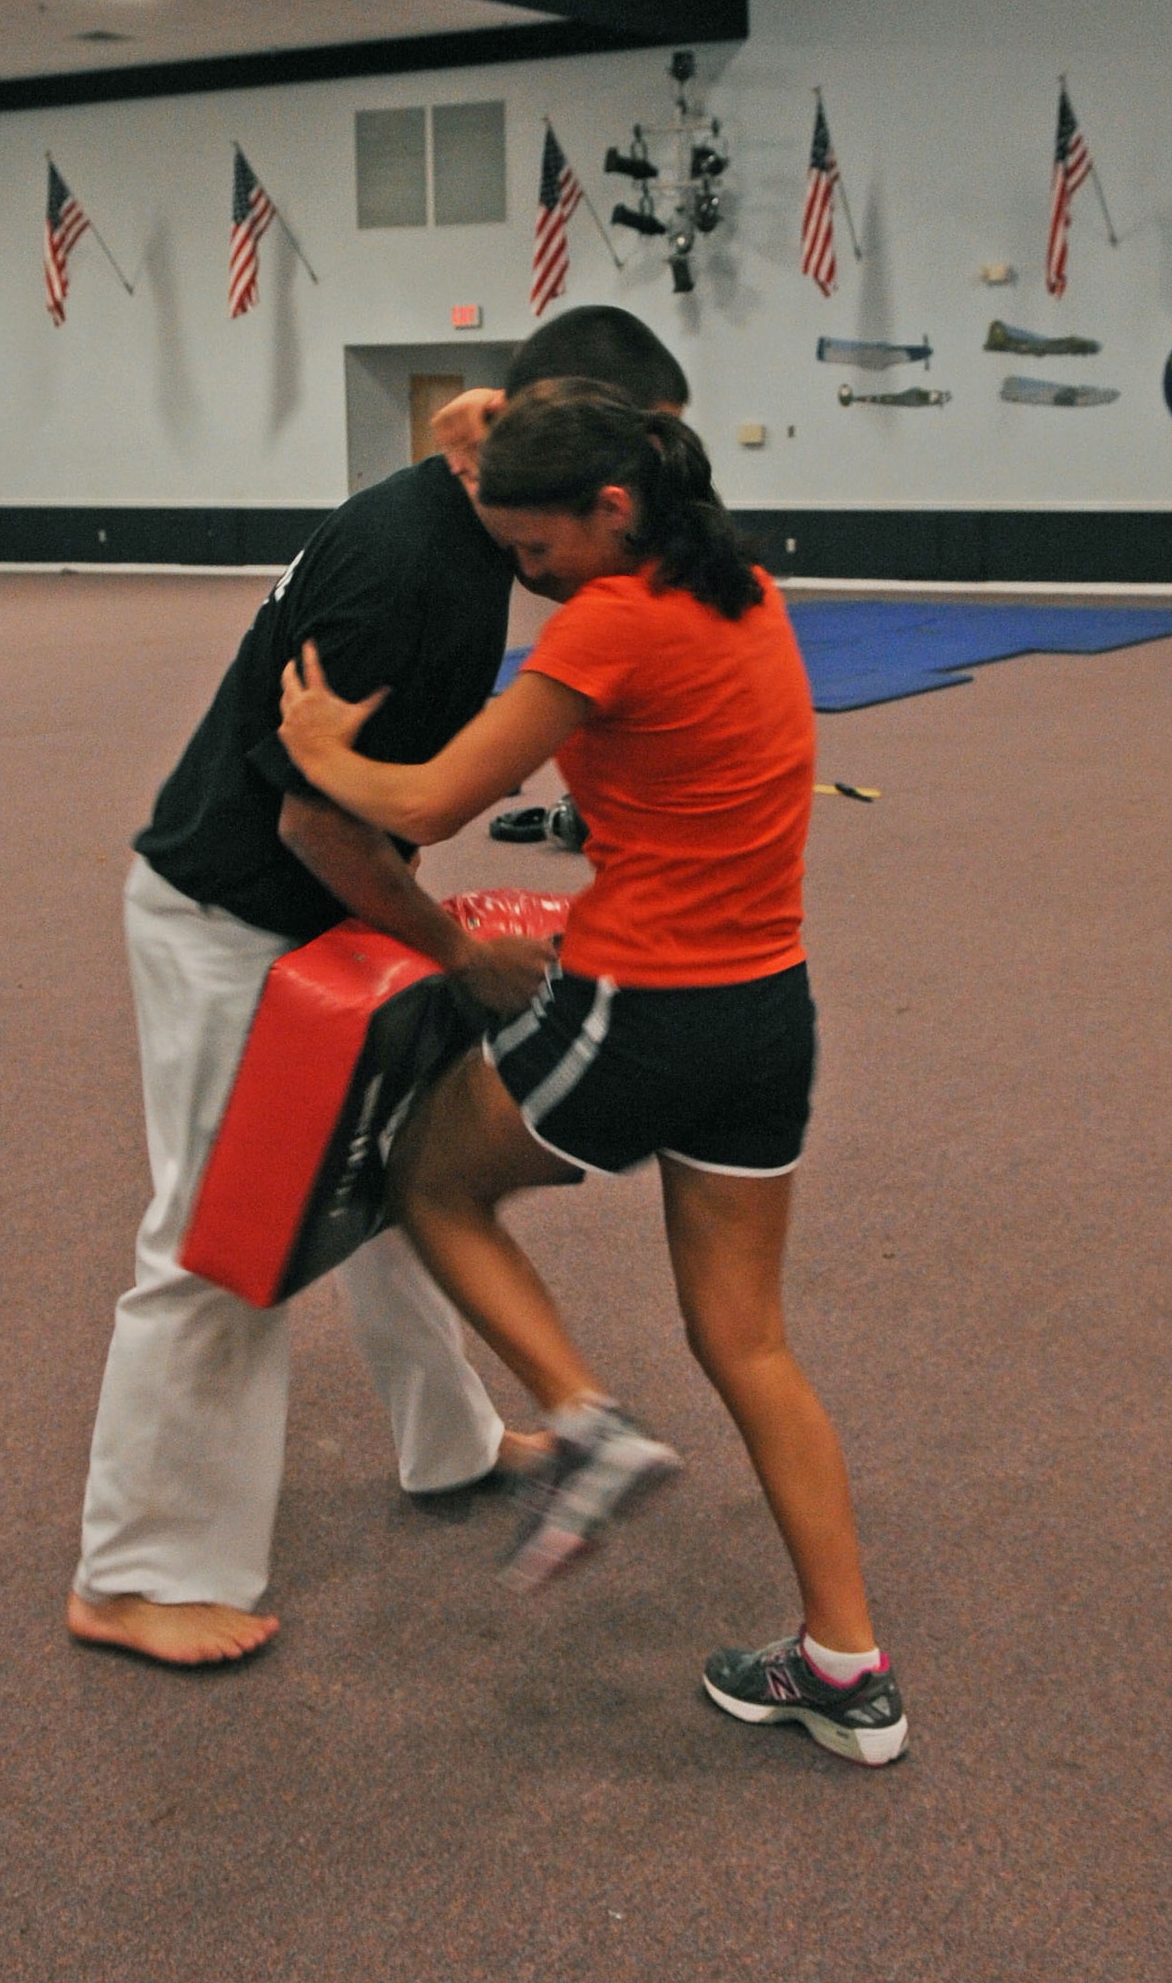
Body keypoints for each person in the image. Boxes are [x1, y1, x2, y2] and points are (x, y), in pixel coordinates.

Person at [277, 382, 910, 1766]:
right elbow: (686, 751)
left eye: (534, 549)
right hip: (767, 1016)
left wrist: (322, 748)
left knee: (427, 1178)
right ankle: (848, 1668)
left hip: (645, 1005)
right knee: (745, 1338)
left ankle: (583, 1423)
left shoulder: (606, 620)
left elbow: (429, 799)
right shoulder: (737, 582)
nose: (523, 573)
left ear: (609, 510)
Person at [68, 311, 691, 1668]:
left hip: (331, 919)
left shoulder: (465, 511)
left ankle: (452, 1448)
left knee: (393, 1171)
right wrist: (458, 953)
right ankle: (135, 1569)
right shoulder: (410, 566)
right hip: (237, 912)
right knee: (219, 1234)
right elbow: (314, 825)